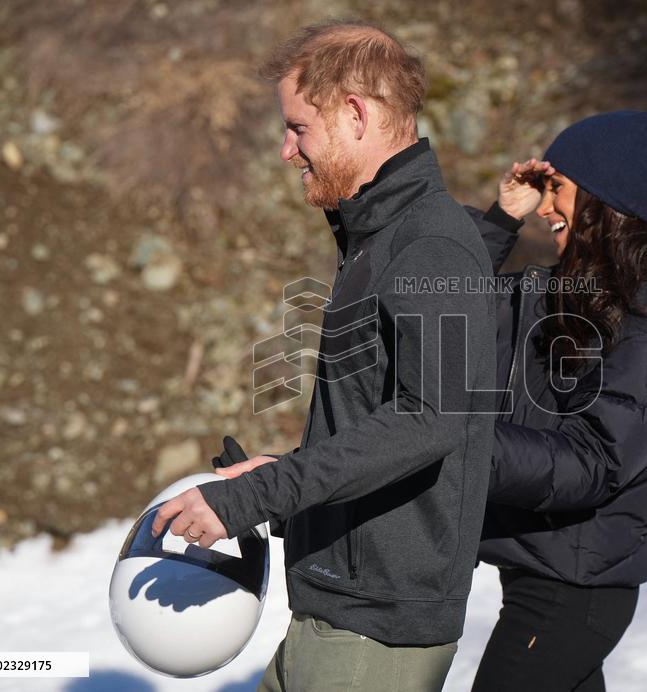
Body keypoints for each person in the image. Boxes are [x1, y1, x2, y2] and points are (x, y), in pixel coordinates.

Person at [151, 21, 497, 692]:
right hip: (335, 609)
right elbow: (377, 425)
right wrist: (279, 477)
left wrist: (259, 494)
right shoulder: (378, 238)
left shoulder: (432, 246)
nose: (287, 150)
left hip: (374, 630)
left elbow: (427, 423)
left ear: (356, 114)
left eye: (298, 128)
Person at [466, 111, 647, 691]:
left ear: (606, 198)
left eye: (557, 188)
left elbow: (595, 461)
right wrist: (502, 220)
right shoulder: (564, 292)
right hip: (541, 577)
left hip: (572, 594)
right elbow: (446, 315)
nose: (546, 206)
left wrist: (456, 449)